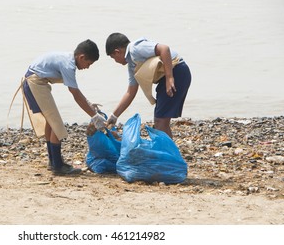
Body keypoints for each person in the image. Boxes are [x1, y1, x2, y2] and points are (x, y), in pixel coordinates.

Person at [22, 39, 105, 175]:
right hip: (35, 83)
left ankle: (53, 162)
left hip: (33, 81)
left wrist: (89, 104)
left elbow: (76, 90)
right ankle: (58, 166)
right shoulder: (68, 65)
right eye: (88, 63)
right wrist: (94, 116)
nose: (88, 67)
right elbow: (75, 94)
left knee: (51, 122)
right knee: (57, 124)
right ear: (81, 57)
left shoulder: (68, 60)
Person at [105, 32, 191, 139]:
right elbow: (131, 92)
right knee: (161, 119)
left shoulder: (135, 48)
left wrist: (169, 77)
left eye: (113, 58)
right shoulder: (132, 65)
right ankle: (168, 150)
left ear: (117, 52)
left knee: (160, 120)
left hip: (176, 71)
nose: (115, 61)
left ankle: (167, 153)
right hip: (168, 77)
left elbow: (164, 49)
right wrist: (114, 116)